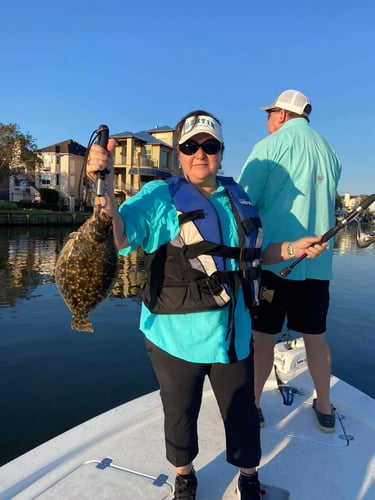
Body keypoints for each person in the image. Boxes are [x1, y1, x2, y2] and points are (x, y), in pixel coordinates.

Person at [86, 109, 327, 500]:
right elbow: (118, 234)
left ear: (221, 152)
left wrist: (290, 248)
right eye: (191, 146)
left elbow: (248, 255)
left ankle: (249, 476)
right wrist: (102, 181)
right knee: (180, 412)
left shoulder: (236, 196)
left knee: (244, 414)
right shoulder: (160, 198)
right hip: (174, 336)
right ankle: (185, 476)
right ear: (179, 153)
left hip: (233, 333)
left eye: (210, 146)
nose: (201, 154)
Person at [238, 90, 342, 433]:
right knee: (315, 336)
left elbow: (242, 203)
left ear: (281, 115)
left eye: (269, 114)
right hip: (318, 265)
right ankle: (325, 407)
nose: (268, 121)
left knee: (262, 337)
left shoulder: (270, 147)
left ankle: (252, 407)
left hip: (275, 260)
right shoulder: (330, 153)